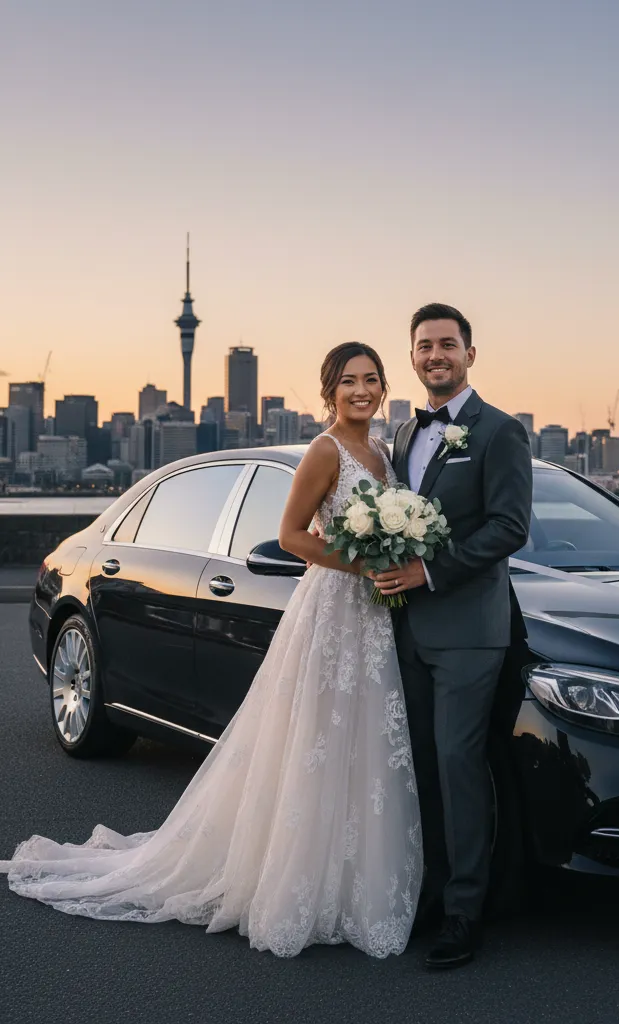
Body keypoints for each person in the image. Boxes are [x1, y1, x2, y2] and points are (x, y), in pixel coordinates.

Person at [1, 343, 423, 960]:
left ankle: (353, 881)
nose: (361, 390)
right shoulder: (324, 450)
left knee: (364, 740)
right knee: (317, 740)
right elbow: (290, 536)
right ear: (329, 390)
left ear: (384, 387)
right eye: (348, 381)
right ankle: (298, 882)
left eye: (371, 379)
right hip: (333, 606)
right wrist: (362, 563)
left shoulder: (383, 452)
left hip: (374, 617)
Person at [373, 302, 532, 969]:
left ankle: (467, 912)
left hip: (469, 632)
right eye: (424, 346)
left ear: (470, 354)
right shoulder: (405, 433)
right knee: (421, 770)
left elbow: (509, 527)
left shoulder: (500, 432)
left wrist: (428, 571)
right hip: (406, 629)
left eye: (447, 344)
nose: (435, 355)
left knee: (459, 766)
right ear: (412, 356)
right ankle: (432, 893)